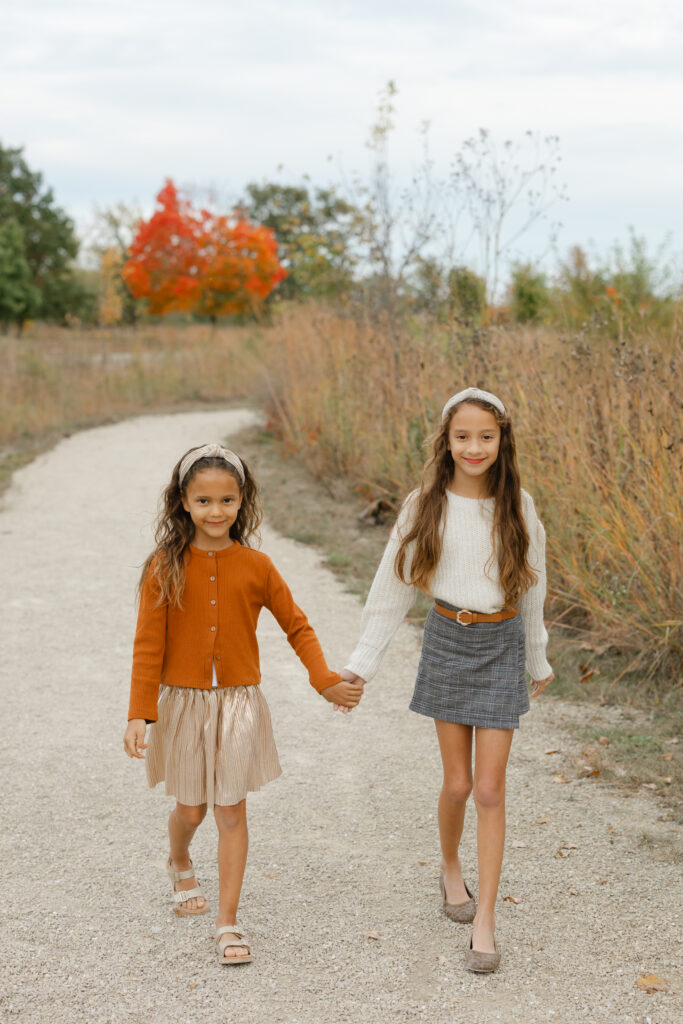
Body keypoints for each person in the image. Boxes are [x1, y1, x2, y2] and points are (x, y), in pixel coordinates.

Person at [340, 388, 553, 973]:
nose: (474, 447)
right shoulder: (423, 505)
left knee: (489, 788)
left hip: (502, 643)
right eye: (463, 436)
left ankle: (485, 919)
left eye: (486, 436)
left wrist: (537, 657)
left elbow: (533, 587)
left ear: (502, 439)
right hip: (447, 641)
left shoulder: (519, 506)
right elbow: (392, 587)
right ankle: (450, 868)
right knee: (456, 784)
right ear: (447, 441)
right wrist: (362, 662)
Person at [123, 442, 361, 965]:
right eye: (204, 500)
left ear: (241, 501)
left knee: (230, 810)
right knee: (192, 808)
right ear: (183, 502)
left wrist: (323, 679)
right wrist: (140, 712)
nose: (216, 511)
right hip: (183, 705)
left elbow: (297, 625)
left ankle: (227, 923)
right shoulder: (164, 566)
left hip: (237, 706)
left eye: (227, 500)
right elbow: (148, 644)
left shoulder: (257, 565)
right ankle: (179, 856)